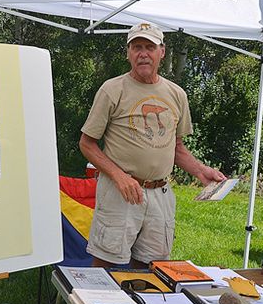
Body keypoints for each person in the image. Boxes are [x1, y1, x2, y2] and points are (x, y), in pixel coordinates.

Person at [79, 21, 227, 269]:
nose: (143, 53)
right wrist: (119, 176)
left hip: (161, 194)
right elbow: (87, 144)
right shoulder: (112, 89)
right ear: (128, 53)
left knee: (151, 268)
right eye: (137, 47)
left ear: (162, 52)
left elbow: (176, 148)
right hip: (120, 192)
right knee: (105, 266)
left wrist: (202, 172)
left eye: (150, 47)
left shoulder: (176, 94)